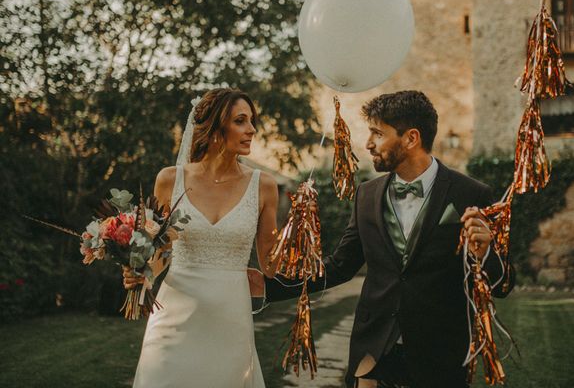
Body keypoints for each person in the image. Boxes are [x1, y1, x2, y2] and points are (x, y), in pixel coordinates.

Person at [248, 90, 515, 388]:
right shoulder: (367, 194)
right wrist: (270, 287)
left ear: (411, 138)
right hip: (373, 351)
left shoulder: (472, 194)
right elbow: (339, 266)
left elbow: (502, 285)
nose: (368, 143)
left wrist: (485, 254)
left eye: (377, 133)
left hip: (439, 354)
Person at [124, 88, 279, 388]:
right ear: (215, 127)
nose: (252, 130)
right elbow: (161, 253)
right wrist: (140, 274)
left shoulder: (264, 186)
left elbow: (272, 266)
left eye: (251, 121)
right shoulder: (170, 179)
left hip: (230, 321)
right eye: (241, 121)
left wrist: (300, 227)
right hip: (173, 317)